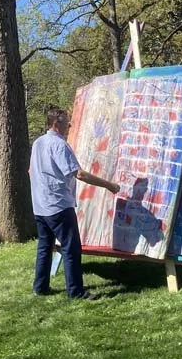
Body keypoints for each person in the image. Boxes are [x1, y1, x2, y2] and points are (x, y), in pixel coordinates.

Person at [30, 107, 120, 300]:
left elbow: (32, 171)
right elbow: (79, 173)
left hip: (40, 205)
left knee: (45, 246)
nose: (69, 126)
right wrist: (109, 185)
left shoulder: (38, 143)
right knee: (70, 248)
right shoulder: (59, 145)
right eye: (66, 122)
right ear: (57, 123)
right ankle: (76, 291)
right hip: (58, 205)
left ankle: (40, 287)